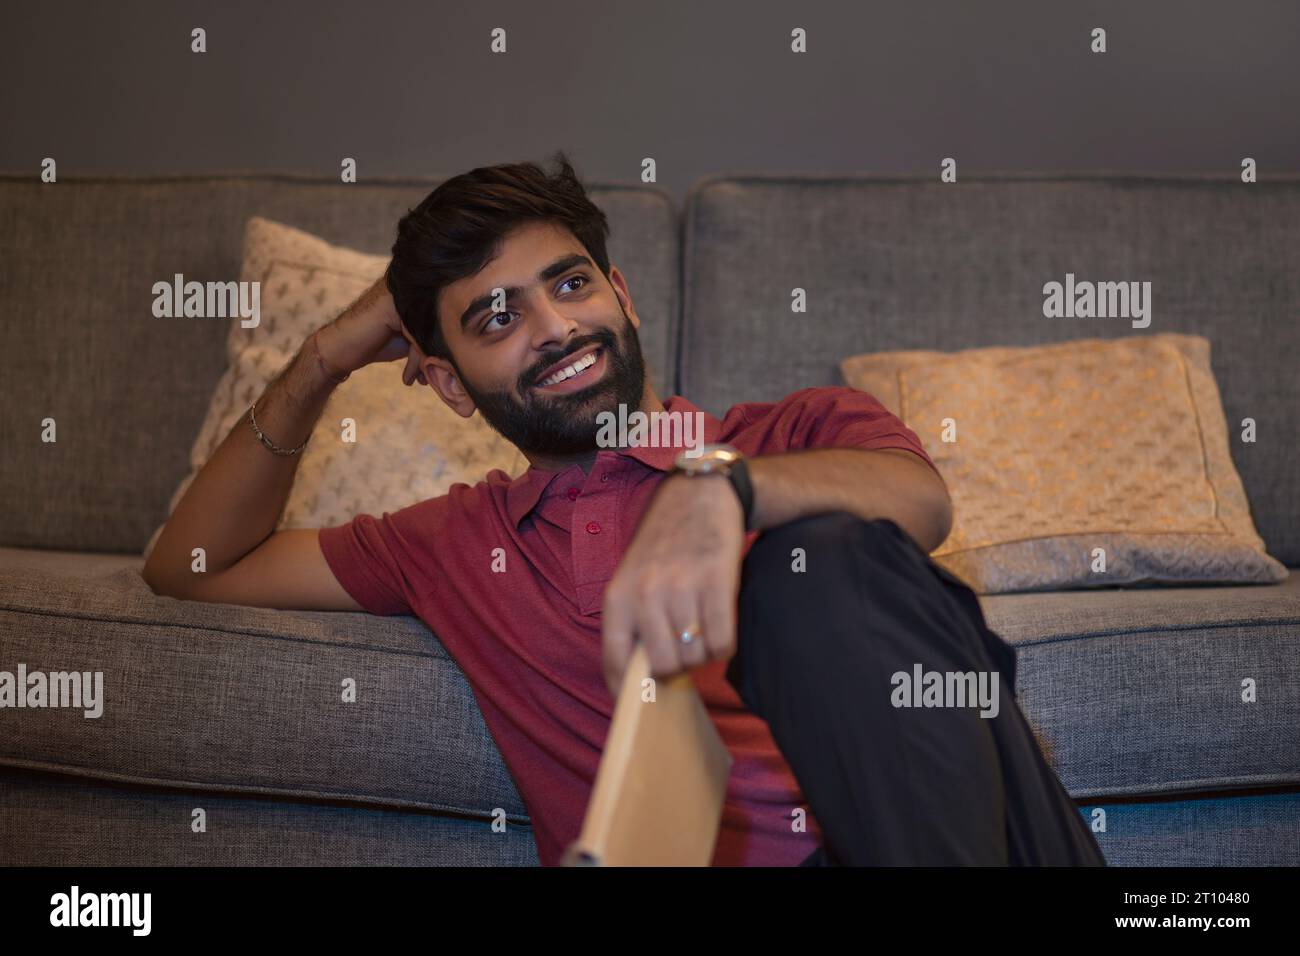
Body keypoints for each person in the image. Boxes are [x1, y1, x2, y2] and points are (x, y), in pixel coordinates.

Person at [143, 151, 1105, 868]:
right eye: (496, 317)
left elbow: (920, 504)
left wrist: (720, 487)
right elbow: (191, 566)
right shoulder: (456, 542)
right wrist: (324, 357)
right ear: (443, 382)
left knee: (814, 570)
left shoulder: (797, 435)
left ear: (623, 297)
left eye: (570, 283)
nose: (555, 326)